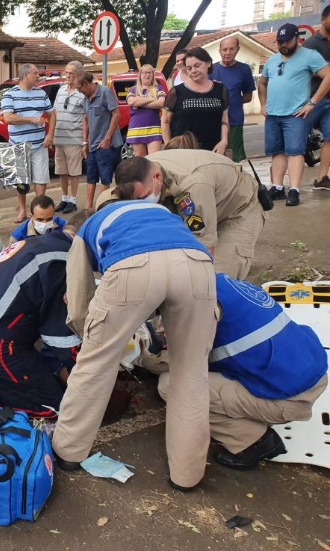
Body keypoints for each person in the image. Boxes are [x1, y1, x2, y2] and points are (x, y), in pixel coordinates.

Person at [54, 187, 217, 491]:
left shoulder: (91, 224)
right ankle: (188, 475)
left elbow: (78, 294)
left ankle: (69, 452)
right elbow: (172, 265)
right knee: (191, 372)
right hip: (197, 264)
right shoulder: (164, 214)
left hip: (133, 267)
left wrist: (88, 335)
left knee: (96, 364)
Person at [139, 273, 328, 471]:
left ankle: (252, 441)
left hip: (288, 399)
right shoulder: (218, 283)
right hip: (308, 373)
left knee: (170, 385)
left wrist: (144, 359)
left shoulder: (202, 311)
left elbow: (188, 364)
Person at [0, 212, 89, 418]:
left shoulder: (44, 242)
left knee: (45, 371)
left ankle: (10, 379)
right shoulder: (63, 260)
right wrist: (86, 368)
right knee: (55, 407)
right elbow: (59, 336)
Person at [114, 152, 264, 280]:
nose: (141, 202)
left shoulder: (193, 186)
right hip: (209, 199)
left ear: (157, 176)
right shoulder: (138, 174)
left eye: (144, 197)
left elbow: (204, 246)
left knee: (214, 280)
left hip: (239, 207)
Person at [259, 22, 330, 207]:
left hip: (295, 114)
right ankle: (277, 187)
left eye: (287, 42)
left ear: (296, 39)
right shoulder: (272, 60)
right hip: (273, 114)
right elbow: (262, 83)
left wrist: (312, 103)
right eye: (279, 41)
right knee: (277, 152)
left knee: (295, 152)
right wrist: (262, 104)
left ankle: (295, 190)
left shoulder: (310, 55)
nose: (283, 45)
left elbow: (328, 76)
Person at [1, 63, 53, 224]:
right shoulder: (10, 95)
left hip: (39, 145)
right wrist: (31, 119)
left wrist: (50, 134)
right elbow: (8, 118)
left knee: (41, 179)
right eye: (35, 74)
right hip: (18, 146)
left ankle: (38, 211)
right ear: (25, 75)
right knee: (21, 182)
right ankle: (23, 209)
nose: (39, 76)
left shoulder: (41, 93)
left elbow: (52, 114)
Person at [162, 47, 229, 154]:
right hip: (183, 152)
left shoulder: (221, 90)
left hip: (214, 151)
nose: (193, 71)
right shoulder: (176, 92)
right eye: (189, 68)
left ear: (208, 63)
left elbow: (224, 119)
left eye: (197, 66)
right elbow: (165, 121)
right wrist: (169, 147)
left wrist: (224, 141)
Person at [75, 71, 123, 210]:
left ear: (86, 84)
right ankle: (88, 208)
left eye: (79, 88)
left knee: (105, 178)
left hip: (106, 145)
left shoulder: (105, 92)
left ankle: (101, 208)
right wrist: (85, 142)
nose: (79, 91)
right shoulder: (85, 97)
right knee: (90, 177)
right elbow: (85, 120)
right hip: (92, 145)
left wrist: (107, 138)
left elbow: (116, 114)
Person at [44, 60, 86, 214]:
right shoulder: (61, 90)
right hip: (59, 137)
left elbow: (85, 118)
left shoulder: (82, 93)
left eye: (71, 73)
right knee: (61, 170)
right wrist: (51, 134)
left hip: (74, 137)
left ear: (79, 75)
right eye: (66, 72)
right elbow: (54, 113)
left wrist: (84, 141)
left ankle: (73, 200)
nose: (67, 75)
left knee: (74, 171)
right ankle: (64, 198)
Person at [211, 37, 256, 162]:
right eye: (224, 49)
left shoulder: (244, 69)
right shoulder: (211, 70)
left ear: (238, 50)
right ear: (220, 51)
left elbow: (248, 96)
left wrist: (232, 101)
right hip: (213, 122)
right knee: (214, 158)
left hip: (234, 121)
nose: (228, 52)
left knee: (234, 159)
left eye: (231, 49)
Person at [303, 6, 330, 192]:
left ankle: (322, 178)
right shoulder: (311, 44)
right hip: (312, 100)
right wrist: (323, 69)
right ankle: (280, 184)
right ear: (323, 18)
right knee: (295, 139)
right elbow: (302, 71)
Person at [125, 64, 166, 157]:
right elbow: (131, 102)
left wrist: (139, 102)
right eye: (144, 73)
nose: (147, 75)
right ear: (140, 74)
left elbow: (162, 103)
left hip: (154, 128)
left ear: (153, 75)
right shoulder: (133, 89)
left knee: (155, 159)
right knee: (140, 161)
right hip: (136, 129)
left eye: (150, 73)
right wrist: (152, 99)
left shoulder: (158, 88)